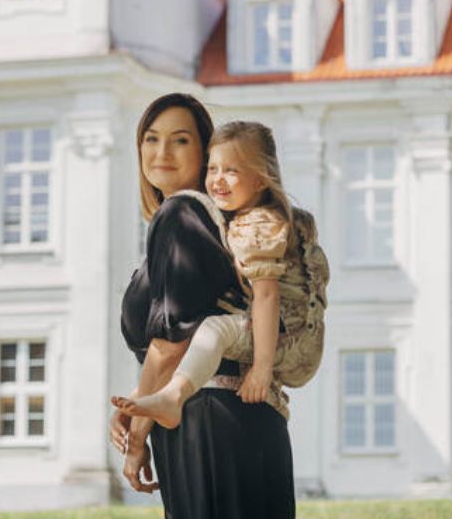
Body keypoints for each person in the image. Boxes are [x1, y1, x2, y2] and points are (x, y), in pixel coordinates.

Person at [110, 93, 314, 519]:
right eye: (150, 140)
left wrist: (138, 431)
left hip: (208, 427)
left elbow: (168, 342)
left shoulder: (180, 216)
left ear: (208, 154)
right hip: (252, 426)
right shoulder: (217, 228)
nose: (162, 154)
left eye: (181, 141)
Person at [111, 119, 325, 430]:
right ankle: (169, 394)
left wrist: (262, 369)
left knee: (213, 330)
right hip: (269, 332)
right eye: (213, 169)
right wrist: (139, 395)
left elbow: (267, 295)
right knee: (210, 331)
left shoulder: (260, 225)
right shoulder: (235, 222)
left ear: (261, 180)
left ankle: (172, 398)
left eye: (232, 171)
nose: (218, 180)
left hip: (285, 335)